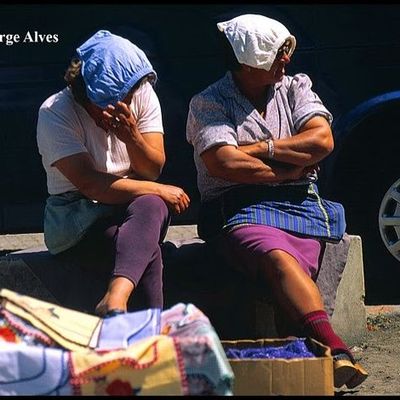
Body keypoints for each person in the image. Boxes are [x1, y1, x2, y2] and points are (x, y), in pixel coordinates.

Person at [186, 14, 367, 389]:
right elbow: (224, 163)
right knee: (277, 257)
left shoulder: (294, 88)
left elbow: (321, 141)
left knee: (296, 266)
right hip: (237, 208)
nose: (286, 60)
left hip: (300, 205)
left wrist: (261, 148)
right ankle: (333, 349)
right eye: (277, 53)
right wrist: (285, 170)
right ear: (251, 59)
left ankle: (303, 365)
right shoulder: (209, 102)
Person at [37, 30, 190, 318]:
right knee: (147, 250)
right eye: (103, 104)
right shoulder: (55, 112)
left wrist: (133, 137)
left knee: (151, 207)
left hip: (131, 205)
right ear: (83, 95)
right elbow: (91, 184)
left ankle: (115, 299)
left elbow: (152, 170)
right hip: (78, 215)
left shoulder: (142, 94)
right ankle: (146, 338)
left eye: (123, 101)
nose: (115, 111)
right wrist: (158, 189)